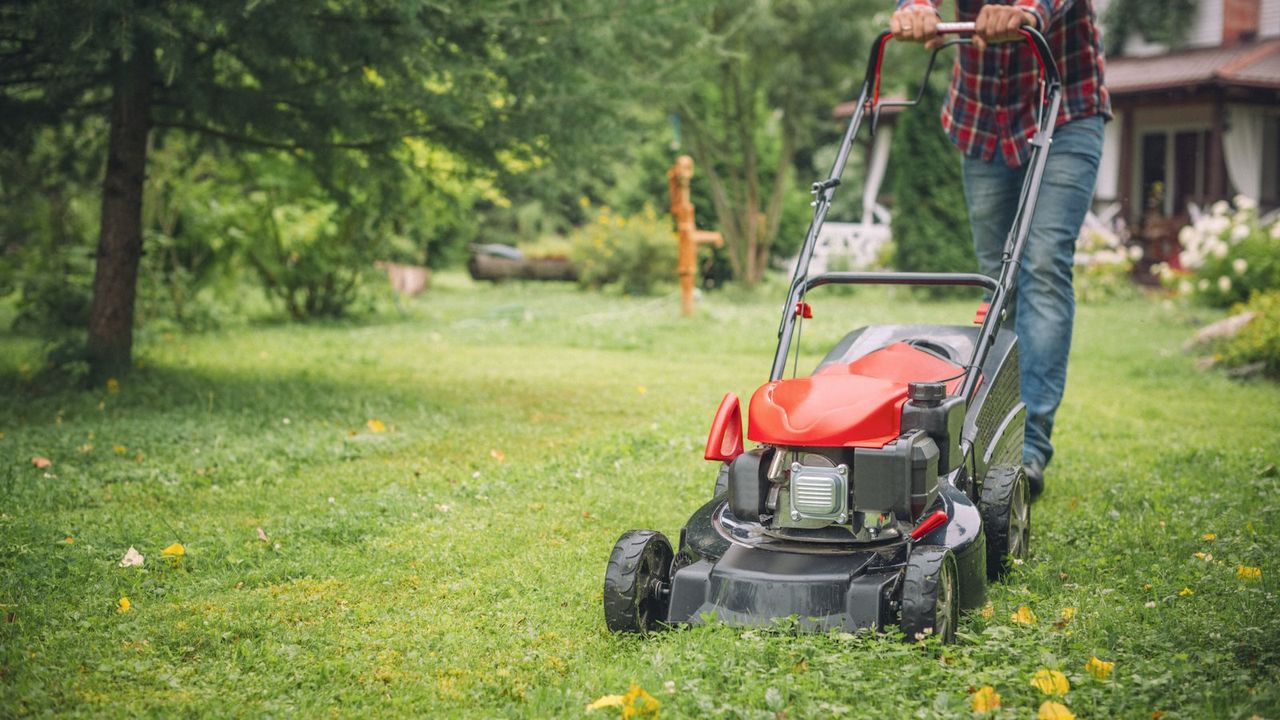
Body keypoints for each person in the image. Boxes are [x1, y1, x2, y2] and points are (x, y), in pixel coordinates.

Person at [889, 0, 1110, 500]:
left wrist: (1025, 11)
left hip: (1066, 106)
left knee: (1044, 264)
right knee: (997, 279)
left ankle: (1030, 448)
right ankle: (993, 434)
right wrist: (915, 8)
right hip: (982, 115)